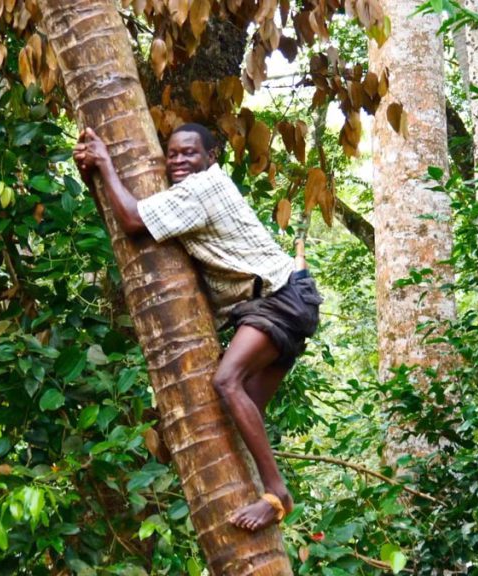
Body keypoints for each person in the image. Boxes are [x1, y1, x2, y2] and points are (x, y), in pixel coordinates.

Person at [73, 123, 322, 532]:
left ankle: (278, 493)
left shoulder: (203, 188)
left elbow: (134, 220)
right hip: (284, 300)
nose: (179, 161)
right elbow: (127, 219)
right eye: (171, 154)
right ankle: (263, 494)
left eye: (189, 153)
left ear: (211, 157)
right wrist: (93, 175)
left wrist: (104, 161)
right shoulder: (185, 196)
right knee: (242, 411)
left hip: (279, 298)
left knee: (226, 382)